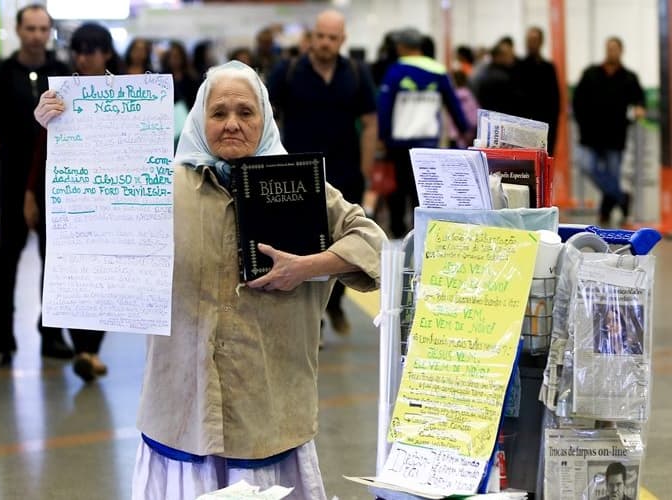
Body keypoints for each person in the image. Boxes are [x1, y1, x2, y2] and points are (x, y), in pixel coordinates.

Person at [34, 60, 385, 499]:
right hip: (183, 410)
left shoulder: (301, 187)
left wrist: (307, 266)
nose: (232, 124)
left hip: (268, 413)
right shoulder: (163, 187)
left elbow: (370, 241)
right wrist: (66, 133)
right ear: (200, 119)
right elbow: (94, 200)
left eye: (245, 112)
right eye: (219, 113)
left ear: (266, 117)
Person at [0, 3, 72, 359]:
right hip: (11, 178)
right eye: (30, 29)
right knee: (6, 258)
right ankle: (1, 334)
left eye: (43, 29)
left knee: (55, 259)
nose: (37, 36)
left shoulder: (62, 73)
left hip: (56, 179)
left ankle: (52, 332)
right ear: (18, 30)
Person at [267, 9, 377, 335]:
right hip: (296, 176)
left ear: (342, 40)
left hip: (345, 172)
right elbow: (265, 117)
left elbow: (370, 124)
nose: (325, 43)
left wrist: (366, 171)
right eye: (320, 36)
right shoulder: (287, 72)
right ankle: (309, 322)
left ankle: (336, 303)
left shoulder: (356, 74)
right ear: (311, 36)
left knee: (343, 243)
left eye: (332, 37)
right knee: (300, 247)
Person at [24, 23, 116, 382]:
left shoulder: (127, 92)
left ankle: (91, 349)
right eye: (78, 50)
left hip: (109, 200)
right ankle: (82, 349)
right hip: (62, 197)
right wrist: (31, 192)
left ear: (106, 52)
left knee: (104, 273)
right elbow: (42, 147)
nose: (83, 57)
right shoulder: (61, 92)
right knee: (64, 271)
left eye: (91, 50)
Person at [377, 28, 468, 238]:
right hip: (428, 142)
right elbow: (453, 104)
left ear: (401, 46)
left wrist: (382, 135)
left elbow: (384, 106)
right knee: (424, 189)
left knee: (398, 189)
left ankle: (399, 233)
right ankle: (423, 234)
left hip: (399, 141)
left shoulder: (395, 71)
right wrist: (463, 128)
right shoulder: (438, 70)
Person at [573, 36, 645, 226]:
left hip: (615, 135)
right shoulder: (591, 73)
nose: (611, 51)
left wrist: (639, 108)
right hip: (591, 134)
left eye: (615, 48)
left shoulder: (629, 77)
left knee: (613, 174)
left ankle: (605, 211)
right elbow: (577, 101)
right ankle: (622, 197)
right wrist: (582, 123)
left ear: (621, 51)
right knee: (587, 165)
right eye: (609, 48)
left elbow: (639, 100)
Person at [517, 27, 561, 155]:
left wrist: (552, 126)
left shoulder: (548, 68)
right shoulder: (519, 66)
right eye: (529, 40)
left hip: (545, 125)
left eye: (535, 40)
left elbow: (555, 100)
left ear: (541, 42)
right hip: (524, 125)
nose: (531, 44)